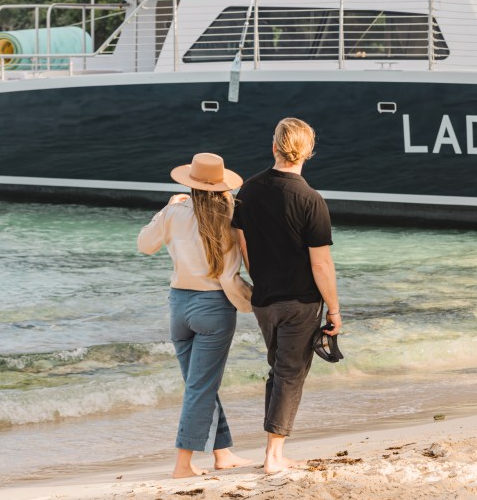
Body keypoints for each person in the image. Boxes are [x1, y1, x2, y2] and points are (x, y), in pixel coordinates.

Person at [232, 117, 341, 474]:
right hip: (301, 301)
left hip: (264, 300)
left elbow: (242, 246)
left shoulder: (247, 190)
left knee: (278, 370)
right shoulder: (311, 200)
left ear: (274, 147)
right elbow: (321, 264)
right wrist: (334, 310)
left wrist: (261, 279)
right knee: (290, 374)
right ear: (308, 152)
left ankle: (273, 451)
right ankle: (273, 457)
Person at [137, 152, 253, 478]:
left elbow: (145, 244)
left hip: (179, 306)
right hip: (214, 307)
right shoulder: (232, 214)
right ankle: (182, 465)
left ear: (190, 183)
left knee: (199, 384)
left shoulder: (174, 212)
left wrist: (167, 208)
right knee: (201, 386)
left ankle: (222, 452)